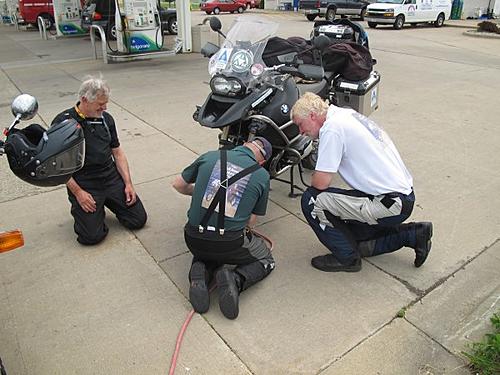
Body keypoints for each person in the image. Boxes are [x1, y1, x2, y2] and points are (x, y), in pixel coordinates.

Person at [290, 92, 433, 272]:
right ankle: (415, 234)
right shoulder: (345, 114)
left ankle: (347, 259)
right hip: (401, 197)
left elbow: (320, 183)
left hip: (389, 203)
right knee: (352, 237)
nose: (301, 132)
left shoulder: (332, 128)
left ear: (312, 115)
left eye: (300, 125)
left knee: (312, 200)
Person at [173, 137, 275, 319]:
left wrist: (199, 193)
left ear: (243, 144)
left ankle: (200, 269)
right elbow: (251, 222)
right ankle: (235, 280)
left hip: (193, 238)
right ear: (262, 161)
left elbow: (178, 184)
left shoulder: (209, 156)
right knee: (266, 259)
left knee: (208, 251)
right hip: (230, 243)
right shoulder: (261, 175)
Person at [51, 76, 147, 245]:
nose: (105, 107)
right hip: (84, 182)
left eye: (106, 103)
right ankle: (91, 214)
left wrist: (128, 184)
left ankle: (104, 204)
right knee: (91, 237)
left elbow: (117, 153)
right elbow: (59, 166)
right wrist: (78, 193)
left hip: (110, 177)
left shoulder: (106, 119)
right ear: (84, 100)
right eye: (100, 104)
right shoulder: (63, 122)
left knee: (138, 220)